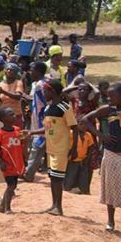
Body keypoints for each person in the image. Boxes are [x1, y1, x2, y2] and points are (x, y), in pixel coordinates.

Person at [81, 82, 121, 235]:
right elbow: (85, 120)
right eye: (107, 96)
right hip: (111, 154)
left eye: (112, 96)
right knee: (111, 187)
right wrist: (101, 135)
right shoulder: (107, 109)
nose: (109, 99)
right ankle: (111, 221)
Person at [26, 80, 77, 216]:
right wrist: (32, 132)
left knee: (57, 178)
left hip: (61, 148)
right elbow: (47, 128)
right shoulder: (49, 108)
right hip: (51, 147)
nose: (44, 93)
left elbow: (75, 128)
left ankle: (58, 207)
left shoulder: (65, 108)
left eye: (45, 91)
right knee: (53, 177)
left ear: (52, 92)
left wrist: (74, 147)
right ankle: (54, 205)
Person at [0, 107, 25, 214]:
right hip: (7, 164)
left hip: (17, 162)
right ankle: (7, 208)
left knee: (13, 185)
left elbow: (22, 144)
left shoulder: (17, 130)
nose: (14, 116)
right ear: (3, 119)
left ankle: (1, 207)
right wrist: (1, 162)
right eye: (11, 115)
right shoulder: (0, 134)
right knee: (11, 186)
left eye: (14, 114)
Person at [23, 61, 49, 181]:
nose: (30, 72)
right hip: (39, 119)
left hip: (41, 121)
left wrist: (22, 95)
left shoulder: (40, 85)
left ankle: (28, 174)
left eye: (32, 69)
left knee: (36, 148)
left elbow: (44, 102)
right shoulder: (41, 83)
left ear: (38, 71)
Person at [64, 126, 96, 195]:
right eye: (82, 124)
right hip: (73, 159)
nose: (84, 127)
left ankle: (83, 190)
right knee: (71, 175)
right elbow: (67, 146)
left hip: (83, 159)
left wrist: (87, 158)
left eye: (85, 124)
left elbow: (91, 147)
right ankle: (67, 188)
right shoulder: (71, 134)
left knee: (83, 176)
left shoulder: (88, 135)